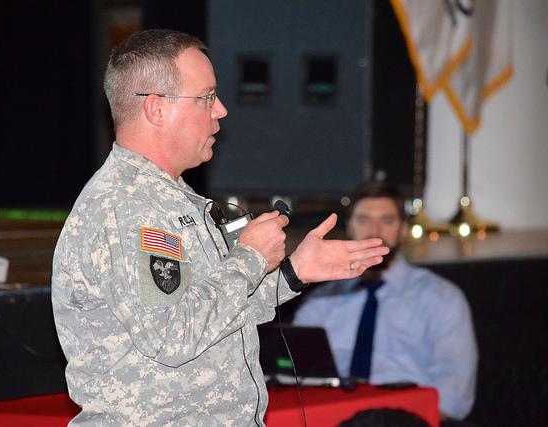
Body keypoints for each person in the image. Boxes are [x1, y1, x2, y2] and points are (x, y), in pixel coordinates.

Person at [51, 29, 388, 426]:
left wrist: (293, 273)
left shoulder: (170, 197)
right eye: (207, 97)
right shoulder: (124, 207)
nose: (221, 109)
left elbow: (215, 311)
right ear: (157, 109)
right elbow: (174, 336)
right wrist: (250, 257)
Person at [293, 181, 478, 423]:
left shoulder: (441, 297)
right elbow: (291, 375)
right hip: (331, 416)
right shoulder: (321, 301)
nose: (374, 231)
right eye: (363, 220)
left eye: (387, 221)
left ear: (403, 230)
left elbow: (455, 392)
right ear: (349, 227)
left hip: (407, 417)